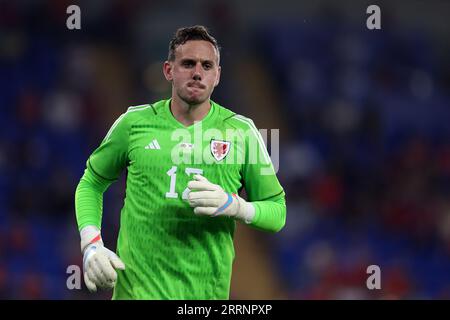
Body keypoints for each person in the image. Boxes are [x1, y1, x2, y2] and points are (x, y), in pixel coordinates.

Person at [74, 25, 286, 299]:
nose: (198, 72)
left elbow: (277, 212)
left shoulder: (242, 133)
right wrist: (91, 243)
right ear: (168, 70)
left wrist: (237, 207)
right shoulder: (133, 123)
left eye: (207, 66)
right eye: (188, 63)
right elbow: (92, 182)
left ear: (217, 76)